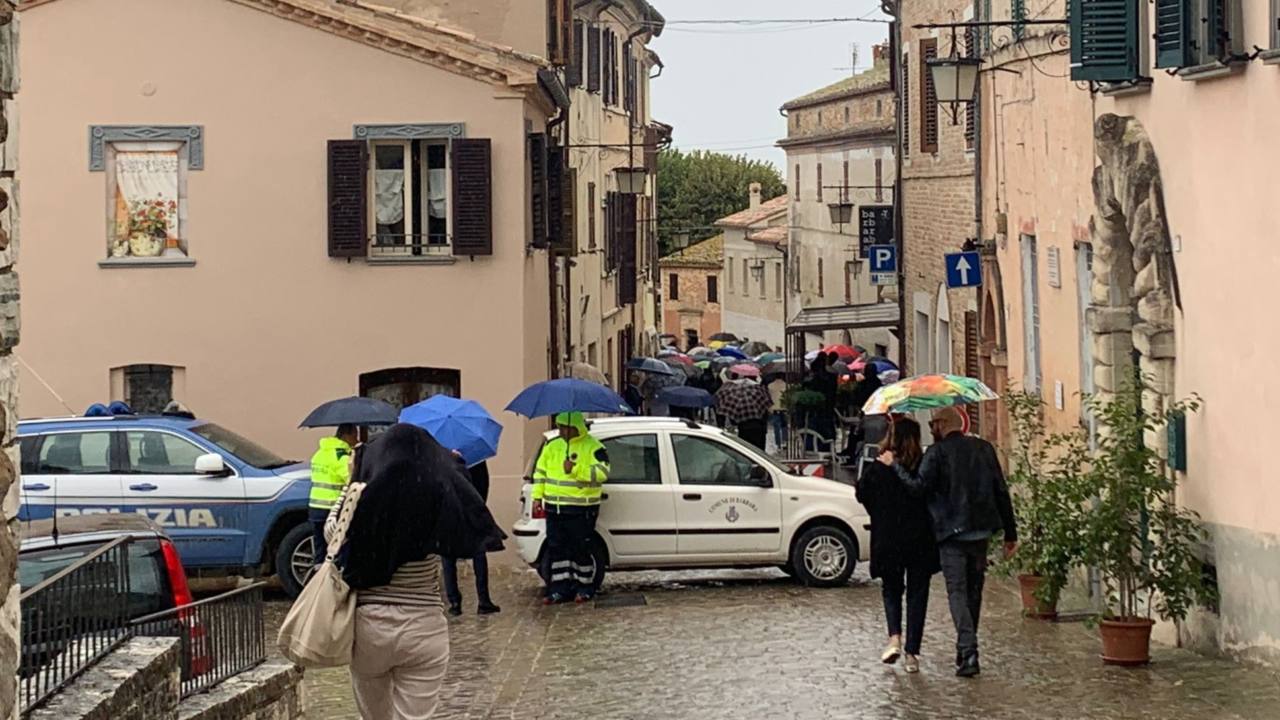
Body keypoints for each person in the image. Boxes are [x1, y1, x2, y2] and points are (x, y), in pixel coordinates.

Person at [329, 424, 504, 720]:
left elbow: (333, 533)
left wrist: (351, 482)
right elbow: (465, 523)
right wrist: (452, 467)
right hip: (423, 626)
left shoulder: (366, 499)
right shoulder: (436, 499)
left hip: (369, 624)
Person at [879, 406, 1017, 678]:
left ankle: (968, 651)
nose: (930, 429)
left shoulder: (937, 453)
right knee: (974, 593)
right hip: (981, 531)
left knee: (957, 592)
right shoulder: (985, 448)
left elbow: (917, 487)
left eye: (932, 424)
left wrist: (894, 465)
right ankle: (965, 649)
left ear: (943, 424)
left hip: (950, 534)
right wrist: (1010, 533)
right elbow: (1001, 490)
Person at [856, 418, 939, 674]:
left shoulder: (879, 467)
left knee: (892, 590)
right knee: (917, 596)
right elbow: (929, 494)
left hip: (888, 539)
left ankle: (894, 638)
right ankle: (912, 654)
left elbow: (861, 494)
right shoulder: (922, 466)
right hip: (919, 540)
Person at [531, 412, 611, 604]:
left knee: (580, 549)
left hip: (581, 508)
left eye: (565, 427)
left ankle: (585, 587)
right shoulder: (552, 446)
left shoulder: (594, 447)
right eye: (560, 426)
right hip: (555, 507)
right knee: (557, 549)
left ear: (576, 427)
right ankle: (558, 589)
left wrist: (574, 469)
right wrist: (537, 497)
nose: (562, 431)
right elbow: (540, 473)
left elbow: (602, 473)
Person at [441, 457, 500, 616]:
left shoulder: (440, 455)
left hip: (449, 510)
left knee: (448, 556)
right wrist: (478, 505)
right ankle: (483, 599)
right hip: (472, 510)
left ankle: (454, 602)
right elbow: (483, 484)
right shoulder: (476, 457)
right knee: (478, 553)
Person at [308, 423, 358, 566]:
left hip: (315, 506)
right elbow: (349, 477)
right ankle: (339, 577)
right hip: (332, 508)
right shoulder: (340, 454)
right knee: (341, 543)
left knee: (320, 548)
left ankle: (318, 578)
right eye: (355, 435)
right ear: (347, 435)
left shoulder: (320, 453)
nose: (357, 439)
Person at [767, 374, 789, 452]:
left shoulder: (770, 386)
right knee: (784, 426)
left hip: (774, 409)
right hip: (784, 408)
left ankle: (778, 444)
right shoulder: (787, 385)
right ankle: (785, 442)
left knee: (776, 427)